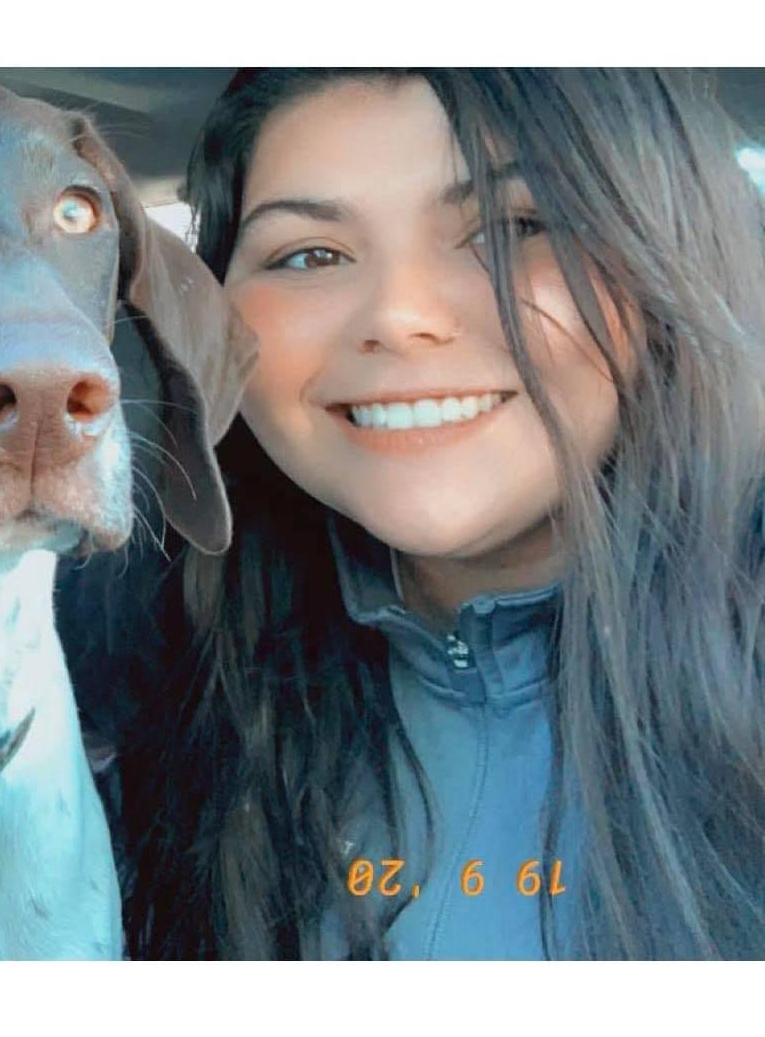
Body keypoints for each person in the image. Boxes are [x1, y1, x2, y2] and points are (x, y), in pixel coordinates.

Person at [102, 70, 764, 960]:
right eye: (309, 256)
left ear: (669, 253)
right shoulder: (145, 657)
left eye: (512, 229)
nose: (400, 315)